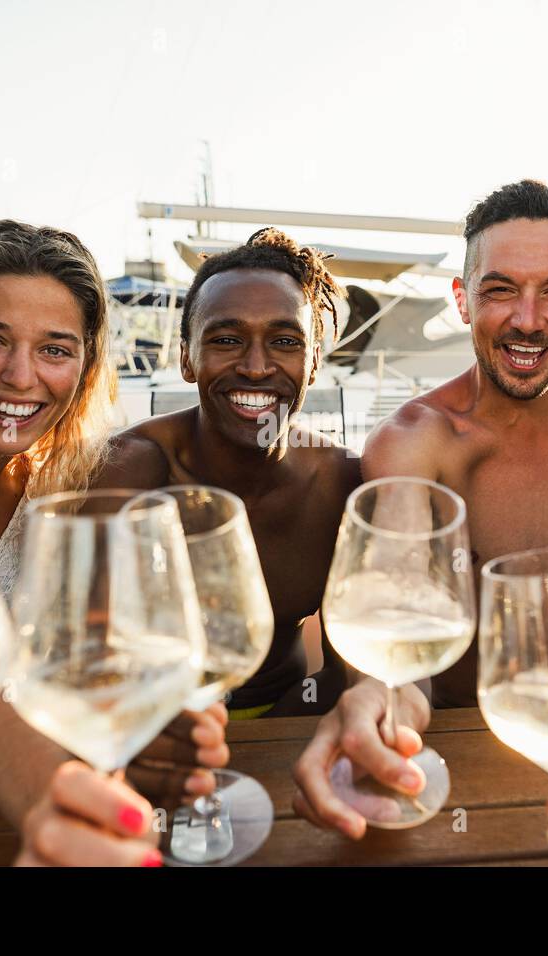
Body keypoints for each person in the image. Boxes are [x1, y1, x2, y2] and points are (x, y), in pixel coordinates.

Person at [292, 180, 548, 839]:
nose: (528, 318)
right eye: (501, 289)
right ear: (463, 299)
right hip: (477, 750)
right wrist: (378, 699)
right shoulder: (416, 441)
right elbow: (395, 623)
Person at [0, 219, 226, 865]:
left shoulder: (71, 499)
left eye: (55, 350)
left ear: (87, 365)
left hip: (25, 827)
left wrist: (152, 738)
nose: (19, 375)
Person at [98, 228, 362, 718]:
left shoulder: (341, 483)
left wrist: (278, 742)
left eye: (284, 341)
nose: (257, 367)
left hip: (286, 718)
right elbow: (91, 659)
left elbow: (347, 675)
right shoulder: (133, 467)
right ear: (186, 358)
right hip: (150, 728)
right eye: (226, 339)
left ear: (313, 361)